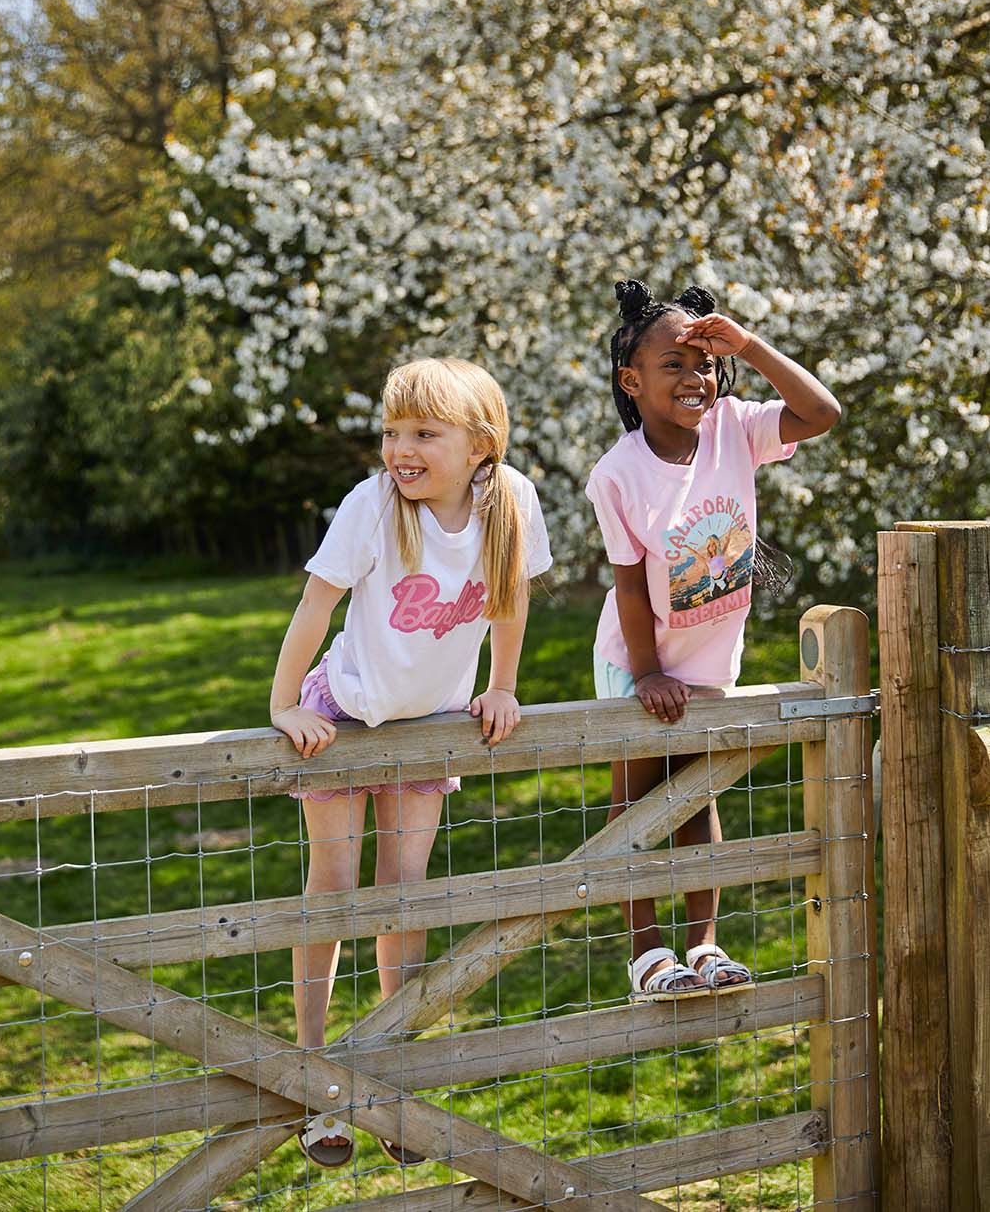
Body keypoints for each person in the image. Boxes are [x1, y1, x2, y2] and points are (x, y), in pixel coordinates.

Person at [270, 357, 552, 1166]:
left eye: (425, 433)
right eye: (393, 431)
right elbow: (316, 605)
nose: (402, 447)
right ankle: (314, 1077)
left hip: (425, 729)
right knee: (334, 889)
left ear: (479, 443)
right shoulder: (373, 505)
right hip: (344, 719)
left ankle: (392, 1081)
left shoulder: (513, 503)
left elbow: (511, 597)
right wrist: (284, 706)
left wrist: (502, 687)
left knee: (405, 894)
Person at [586, 280, 840, 1001]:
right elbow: (631, 587)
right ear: (631, 382)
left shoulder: (737, 427)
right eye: (674, 364)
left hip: (707, 667)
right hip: (638, 665)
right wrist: (645, 677)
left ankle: (703, 945)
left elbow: (822, 412)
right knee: (636, 812)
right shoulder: (618, 474)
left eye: (704, 363)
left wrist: (751, 347)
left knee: (698, 802)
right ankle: (646, 954)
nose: (695, 378)